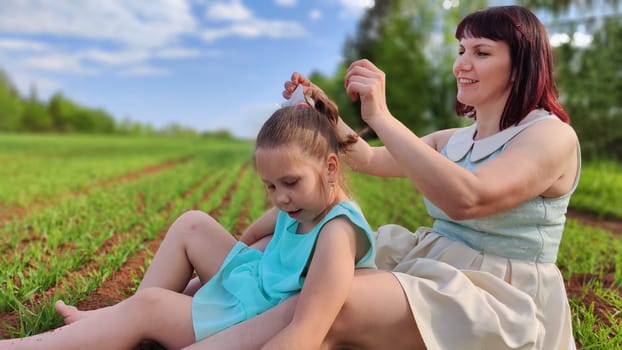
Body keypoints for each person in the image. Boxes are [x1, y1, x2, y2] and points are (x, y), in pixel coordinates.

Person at [188, 5, 579, 349]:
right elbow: (368, 158)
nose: (462, 63)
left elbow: (469, 199)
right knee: (304, 271)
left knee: (329, 304)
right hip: (438, 264)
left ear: (521, 64)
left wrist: (382, 117)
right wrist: (325, 114)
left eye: (481, 52)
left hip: (499, 296)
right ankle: (185, 317)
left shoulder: (549, 135)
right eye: (461, 50)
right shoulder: (456, 139)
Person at [0, 89, 377, 349]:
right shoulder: (303, 202)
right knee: (192, 223)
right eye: (269, 186)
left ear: (330, 168)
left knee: (150, 306)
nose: (280, 197)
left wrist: (211, 296)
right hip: (253, 285)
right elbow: (257, 231)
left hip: (250, 318)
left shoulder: (338, 232)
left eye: (289, 183)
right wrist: (220, 274)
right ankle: (117, 318)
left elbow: (307, 327)